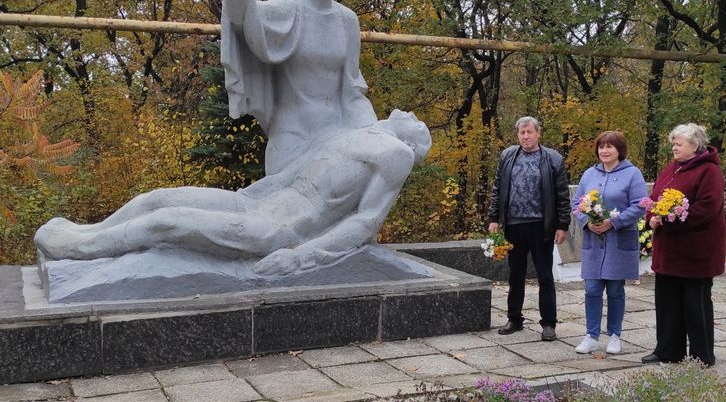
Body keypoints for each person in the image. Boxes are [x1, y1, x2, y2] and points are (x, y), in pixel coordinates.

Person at [34, 111, 431, 278]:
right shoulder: (356, 129)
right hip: (255, 200)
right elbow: (289, 175)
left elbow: (364, 222)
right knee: (159, 197)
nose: (414, 117)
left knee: (166, 222)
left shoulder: (395, 155)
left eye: (421, 126)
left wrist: (298, 257)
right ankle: (88, 232)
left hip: (279, 227)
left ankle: (79, 251)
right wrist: (243, 196)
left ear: (415, 144)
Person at [222, 0, 377, 175]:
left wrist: (374, 134)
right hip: (291, 135)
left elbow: (352, 90)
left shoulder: (347, 21)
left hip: (338, 137)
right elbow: (239, 11)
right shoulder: (285, 10)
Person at [641, 123, 725, 367]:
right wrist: (652, 217)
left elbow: (707, 208)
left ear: (695, 145)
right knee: (667, 304)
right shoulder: (672, 169)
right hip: (669, 252)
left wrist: (671, 221)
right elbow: (655, 199)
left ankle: (702, 356)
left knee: (695, 306)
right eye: (673, 143)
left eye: (679, 143)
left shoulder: (709, 171)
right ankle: (668, 351)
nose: (674, 147)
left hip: (696, 252)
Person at [487, 116, 571, 340]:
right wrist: (494, 217)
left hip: (541, 226)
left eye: (529, 132)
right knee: (515, 275)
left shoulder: (552, 159)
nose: (526, 136)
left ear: (538, 133)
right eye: (522, 133)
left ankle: (549, 324)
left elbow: (563, 196)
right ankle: (514, 319)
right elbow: (498, 189)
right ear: (518, 135)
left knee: (545, 275)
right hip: (513, 225)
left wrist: (563, 225)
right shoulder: (507, 156)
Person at [572, 131, 647, 355]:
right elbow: (577, 203)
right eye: (601, 147)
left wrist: (613, 222)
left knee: (615, 290)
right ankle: (591, 335)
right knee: (592, 289)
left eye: (610, 147)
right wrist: (587, 222)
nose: (604, 151)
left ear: (619, 150)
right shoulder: (589, 174)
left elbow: (639, 205)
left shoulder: (632, 174)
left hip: (618, 241)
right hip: (594, 243)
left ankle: (614, 335)